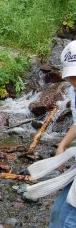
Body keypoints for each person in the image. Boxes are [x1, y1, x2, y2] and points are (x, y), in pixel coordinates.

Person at [49, 40, 76, 227]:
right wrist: (62, 145)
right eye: (71, 75)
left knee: (69, 219)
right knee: (59, 211)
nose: (73, 80)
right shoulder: (74, 91)